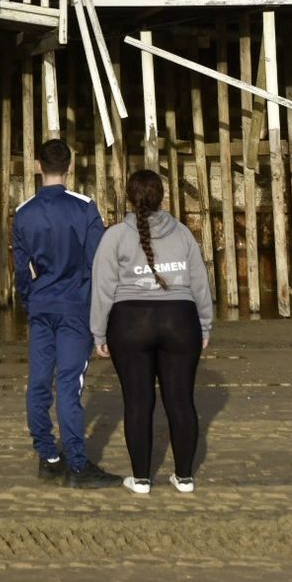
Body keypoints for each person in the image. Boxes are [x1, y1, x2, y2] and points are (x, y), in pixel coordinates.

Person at [90, 169, 213, 495]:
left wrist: (98, 334)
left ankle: (142, 480)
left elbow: (103, 288)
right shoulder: (183, 233)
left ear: (130, 198)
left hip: (131, 323)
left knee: (137, 402)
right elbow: (200, 282)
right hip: (179, 320)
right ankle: (184, 478)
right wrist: (204, 324)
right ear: (162, 197)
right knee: (181, 401)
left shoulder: (115, 235)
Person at [13, 138, 117, 488]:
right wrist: (102, 312)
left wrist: (30, 301)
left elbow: (21, 268)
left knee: (39, 383)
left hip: (42, 306)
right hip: (75, 307)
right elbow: (99, 263)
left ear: (38, 165)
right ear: (70, 167)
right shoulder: (85, 207)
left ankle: (48, 456)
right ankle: (76, 464)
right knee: (70, 385)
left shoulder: (24, 212)